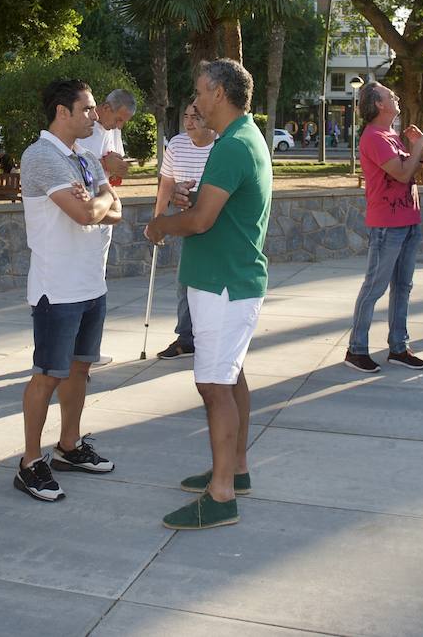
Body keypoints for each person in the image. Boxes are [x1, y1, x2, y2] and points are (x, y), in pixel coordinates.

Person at [147, 59, 271, 531]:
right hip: (227, 280)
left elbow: (201, 222)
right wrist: (193, 201)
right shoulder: (241, 139)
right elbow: (212, 206)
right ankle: (233, 471)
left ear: (220, 93)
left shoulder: (234, 145)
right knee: (230, 375)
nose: (195, 101)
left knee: (214, 385)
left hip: (224, 283)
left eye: (200, 91)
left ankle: (220, 494)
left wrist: (160, 224)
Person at [14, 79, 122, 502]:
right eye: (89, 109)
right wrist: (99, 200)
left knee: (80, 369)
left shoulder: (85, 157)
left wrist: (99, 197)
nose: (96, 116)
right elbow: (86, 212)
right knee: (47, 376)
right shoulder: (41, 157)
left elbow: (113, 206)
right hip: (56, 290)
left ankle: (69, 446)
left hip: (91, 283)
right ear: (63, 112)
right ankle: (29, 462)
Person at [343, 81, 423, 373]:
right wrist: (419, 149)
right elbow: (400, 174)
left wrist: (420, 146)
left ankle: (399, 347)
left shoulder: (394, 137)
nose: (396, 97)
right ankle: (356, 349)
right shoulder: (374, 137)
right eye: (390, 95)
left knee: (403, 287)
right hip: (387, 226)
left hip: (409, 222)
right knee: (374, 287)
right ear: (378, 105)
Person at [154, 104, 216, 360]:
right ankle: (186, 337)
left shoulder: (222, 146)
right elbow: (166, 184)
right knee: (185, 281)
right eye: (186, 117)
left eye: (196, 118)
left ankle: (210, 335)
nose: (189, 123)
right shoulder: (177, 145)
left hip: (216, 221)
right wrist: (158, 219)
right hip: (185, 220)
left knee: (211, 283)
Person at [83, 88, 136, 185]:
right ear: (106, 108)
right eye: (118, 120)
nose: (119, 126)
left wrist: (119, 169)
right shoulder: (82, 126)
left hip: (104, 196)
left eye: (124, 122)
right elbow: (69, 165)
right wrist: (104, 164)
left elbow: (114, 172)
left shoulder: (114, 129)